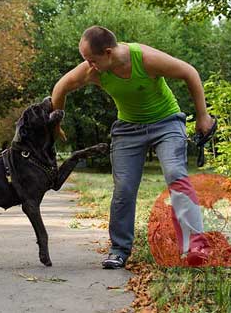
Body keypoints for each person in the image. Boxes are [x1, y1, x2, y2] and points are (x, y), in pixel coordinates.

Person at [51, 26, 214, 269]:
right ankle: (119, 250)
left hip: (166, 123)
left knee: (176, 175)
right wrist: (56, 124)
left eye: (91, 60)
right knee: (124, 187)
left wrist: (202, 116)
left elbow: (189, 72)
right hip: (128, 129)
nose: (88, 65)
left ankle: (196, 246)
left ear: (108, 53)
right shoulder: (93, 71)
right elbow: (60, 87)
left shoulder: (146, 59)